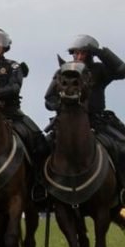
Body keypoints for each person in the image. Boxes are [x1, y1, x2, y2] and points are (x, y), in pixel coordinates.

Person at [0, 27, 49, 200]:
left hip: (11, 114)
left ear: (5, 45)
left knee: (39, 142)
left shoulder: (12, 65)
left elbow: (14, 87)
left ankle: (38, 182)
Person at [45, 34, 125, 193]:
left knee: (122, 148)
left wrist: (102, 52)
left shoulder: (99, 70)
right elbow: (49, 98)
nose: (79, 56)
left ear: (91, 55)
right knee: (41, 147)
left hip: (97, 122)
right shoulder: (63, 71)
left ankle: (121, 188)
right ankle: (41, 188)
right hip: (67, 122)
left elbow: (122, 71)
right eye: (76, 53)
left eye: (83, 53)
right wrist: (60, 105)